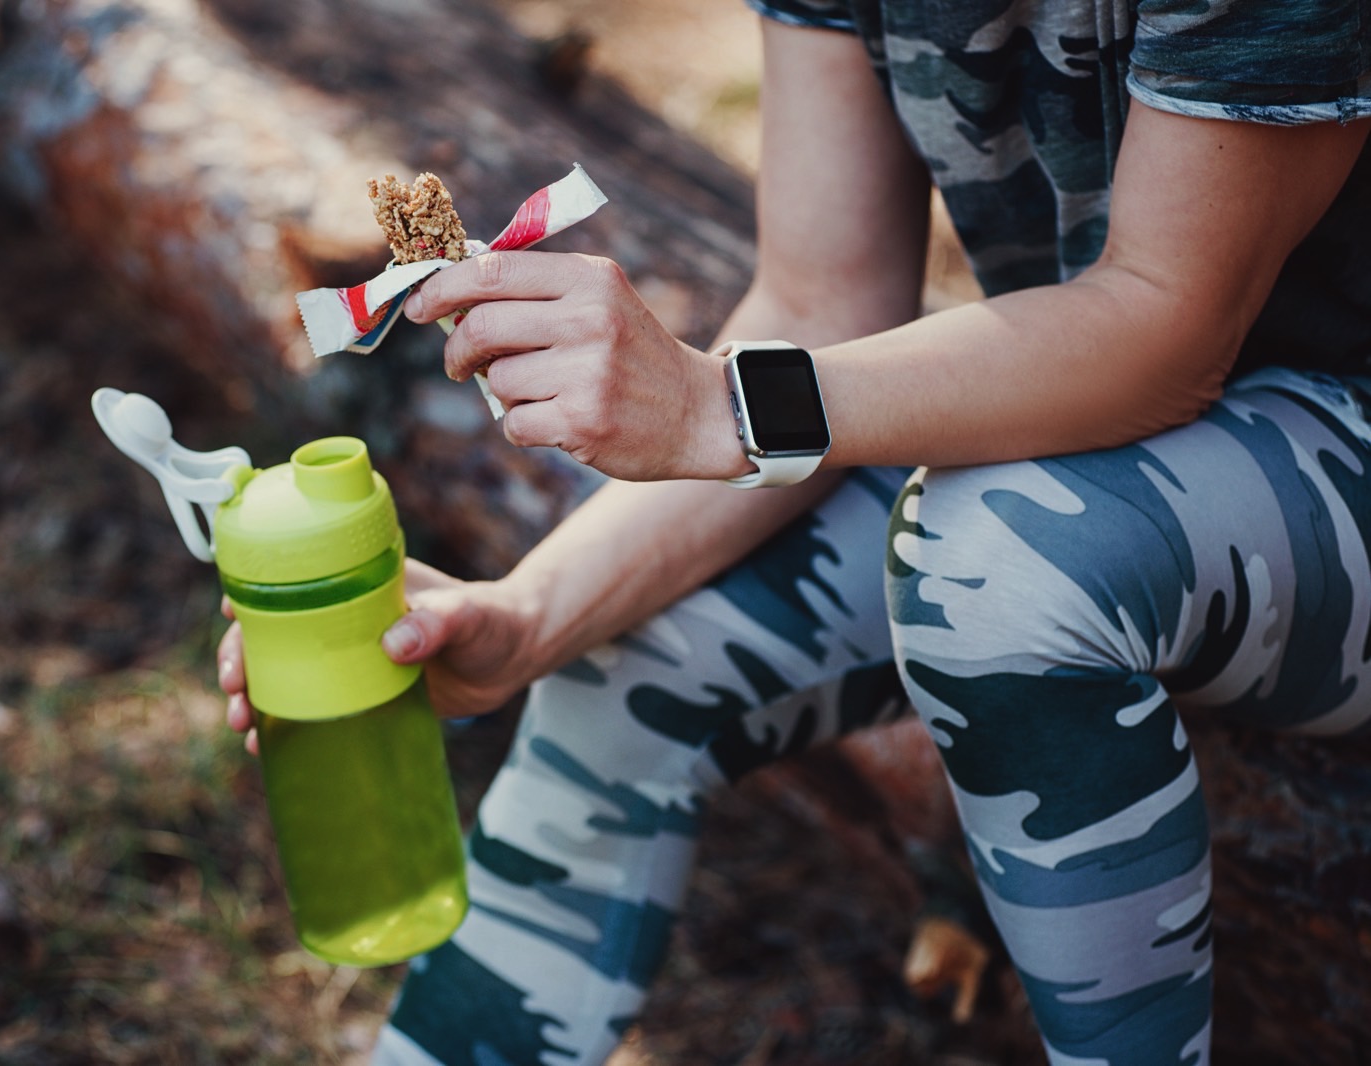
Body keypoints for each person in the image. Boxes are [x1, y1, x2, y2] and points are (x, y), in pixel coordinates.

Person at [218, 1, 1371, 1062]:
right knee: (638, 636)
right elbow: (821, 302)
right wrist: (525, 619)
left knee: (995, 553)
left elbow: (1168, 329)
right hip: (1116, 448)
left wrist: (717, 403)